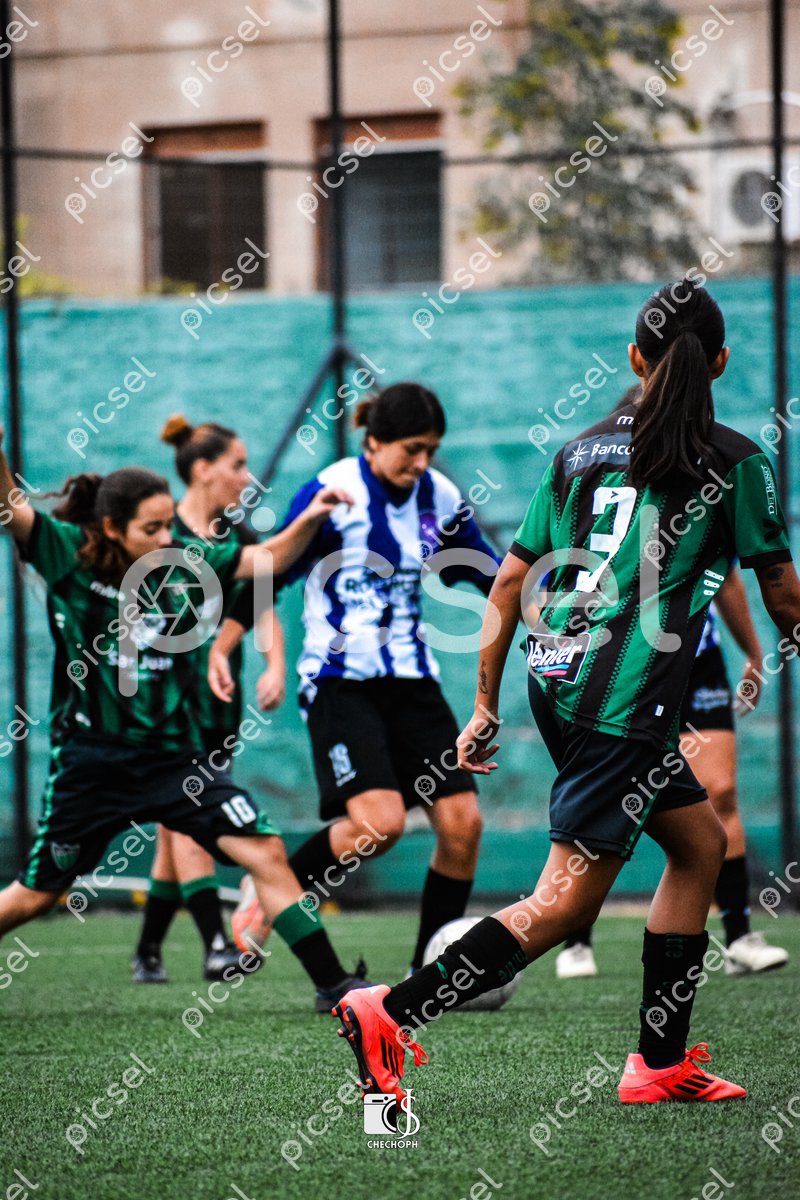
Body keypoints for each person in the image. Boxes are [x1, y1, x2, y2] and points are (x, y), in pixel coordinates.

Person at [329, 280, 800, 1106]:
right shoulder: (736, 461)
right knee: (561, 904)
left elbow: (510, 583)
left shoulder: (576, 454)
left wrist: (484, 705)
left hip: (559, 683)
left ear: (635, 359)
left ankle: (658, 1064)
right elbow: (783, 595)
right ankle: (391, 1010)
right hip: (624, 707)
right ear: (721, 362)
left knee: (697, 847)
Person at [0, 434, 369, 1011]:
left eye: (168, 525)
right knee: (35, 896)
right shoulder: (68, 554)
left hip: (176, 761)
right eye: (150, 529)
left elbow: (267, 561)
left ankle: (333, 985)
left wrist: (311, 518)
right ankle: (165, 947)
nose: (165, 538)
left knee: (265, 849)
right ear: (112, 528)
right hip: (94, 764)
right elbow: (11, 509)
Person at [209, 383, 500, 973]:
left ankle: (427, 973)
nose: (421, 462)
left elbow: (492, 572)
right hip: (339, 682)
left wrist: (547, 613)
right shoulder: (332, 491)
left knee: (463, 824)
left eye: (431, 450)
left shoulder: (439, 496)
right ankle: (271, 889)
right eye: (412, 449)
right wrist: (224, 646)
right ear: (374, 442)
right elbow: (269, 574)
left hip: (413, 682)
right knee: (379, 825)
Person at [555, 566, 788, 979]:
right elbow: (552, 579)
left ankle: (739, 938)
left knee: (721, 790)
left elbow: (727, 578)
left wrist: (753, 654)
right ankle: (576, 940)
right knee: (603, 797)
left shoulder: (713, 521)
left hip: (698, 661)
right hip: (622, 663)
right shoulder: (597, 521)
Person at [132, 416, 288, 985]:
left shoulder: (238, 538)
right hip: (168, 706)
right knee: (186, 817)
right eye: (237, 465)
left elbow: (263, 607)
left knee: (176, 829)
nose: (247, 477)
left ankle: (148, 950)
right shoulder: (159, 532)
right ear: (202, 469)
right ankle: (216, 944)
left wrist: (275, 664)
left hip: (218, 703)